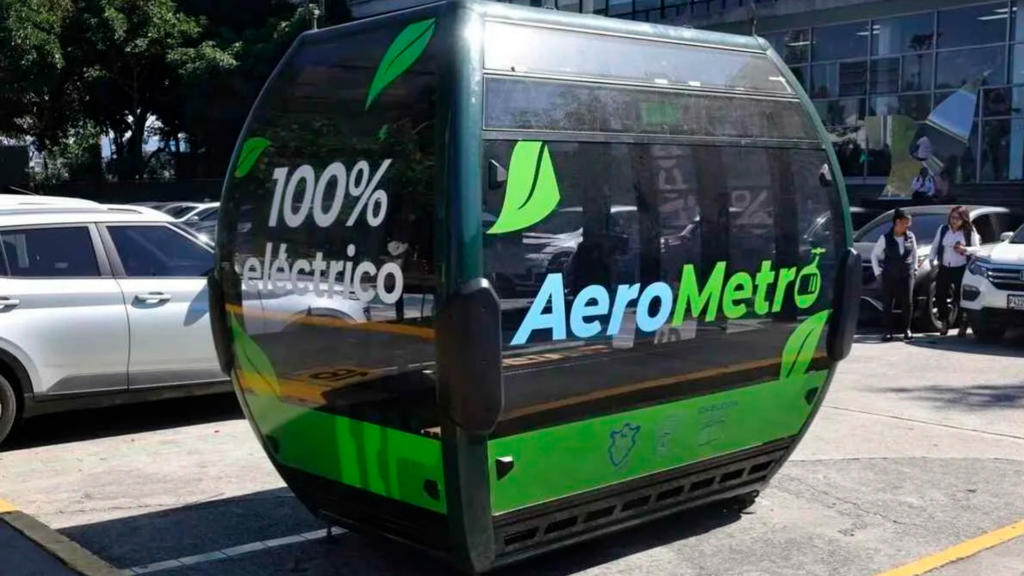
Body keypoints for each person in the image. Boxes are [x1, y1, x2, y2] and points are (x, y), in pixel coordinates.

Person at [929, 206, 982, 337]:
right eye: (952, 217)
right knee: (940, 294)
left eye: (957, 218)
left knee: (960, 297)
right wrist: (932, 259)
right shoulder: (943, 229)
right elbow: (935, 245)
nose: (954, 221)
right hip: (944, 266)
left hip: (961, 267)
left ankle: (963, 323)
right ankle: (944, 321)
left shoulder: (969, 231)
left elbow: (977, 249)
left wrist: (965, 249)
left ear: (964, 219)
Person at [871, 209, 918, 342]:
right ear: (897, 222)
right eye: (906, 222)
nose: (908, 225)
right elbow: (874, 255)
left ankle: (907, 330)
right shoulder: (885, 238)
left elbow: (915, 253)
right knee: (887, 303)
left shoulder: (910, 236)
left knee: (907, 303)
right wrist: (877, 272)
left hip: (906, 274)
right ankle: (888, 331)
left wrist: (914, 268)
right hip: (889, 275)